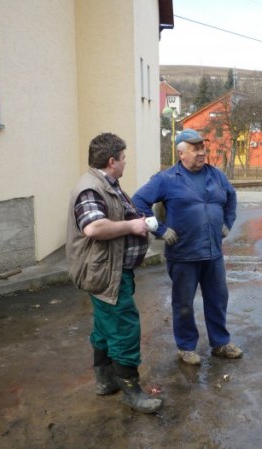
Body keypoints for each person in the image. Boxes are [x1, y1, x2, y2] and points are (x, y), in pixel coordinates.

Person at [66, 132, 162, 414]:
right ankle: (132, 391)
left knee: (105, 325)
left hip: (111, 268)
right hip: (106, 272)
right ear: (112, 161)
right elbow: (93, 227)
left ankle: (106, 381)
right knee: (123, 328)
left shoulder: (107, 185)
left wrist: (136, 222)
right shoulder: (90, 189)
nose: (125, 162)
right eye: (123, 158)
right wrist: (132, 227)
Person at [132, 129, 242, 366]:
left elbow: (231, 198)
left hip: (213, 253)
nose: (201, 153)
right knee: (183, 304)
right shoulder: (166, 179)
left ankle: (220, 342)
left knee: (218, 299)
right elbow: (138, 201)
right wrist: (159, 229)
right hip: (183, 255)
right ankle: (186, 347)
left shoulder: (216, 175)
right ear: (181, 153)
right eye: (195, 149)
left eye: (203, 148)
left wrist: (227, 223)